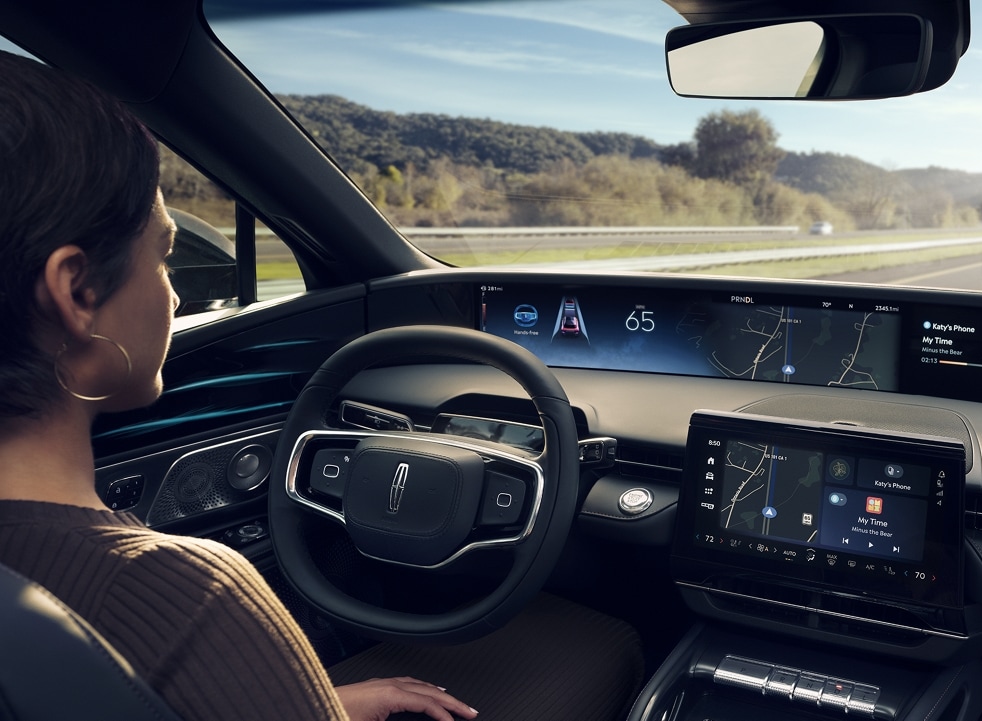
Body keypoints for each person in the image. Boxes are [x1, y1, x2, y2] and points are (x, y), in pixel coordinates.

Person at [0, 50, 642, 721]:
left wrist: (312, 704)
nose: (177, 293)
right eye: (164, 256)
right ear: (77, 291)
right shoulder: (183, 597)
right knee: (603, 646)